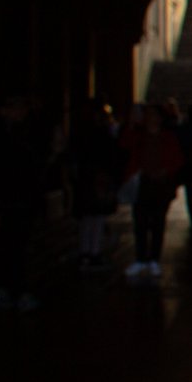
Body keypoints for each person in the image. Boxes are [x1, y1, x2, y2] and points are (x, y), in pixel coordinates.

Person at [0, 93, 51, 311]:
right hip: (4, 199)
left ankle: (17, 289)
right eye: (15, 108)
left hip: (24, 199)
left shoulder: (27, 135)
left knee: (19, 247)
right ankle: (5, 288)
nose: (20, 113)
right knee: (5, 247)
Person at [121, 103, 183, 282]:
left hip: (161, 183)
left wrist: (165, 170)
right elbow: (125, 144)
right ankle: (141, 258)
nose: (150, 118)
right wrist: (131, 124)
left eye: (153, 115)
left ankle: (154, 258)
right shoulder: (139, 136)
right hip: (142, 181)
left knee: (157, 221)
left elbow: (177, 159)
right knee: (140, 221)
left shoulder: (167, 137)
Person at [70, 98, 124, 268]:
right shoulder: (103, 133)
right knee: (96, 217)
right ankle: (93, 251)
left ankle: (87, 250)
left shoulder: (81, 132)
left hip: (88, 177)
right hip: (99, 177)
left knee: (88, 217)